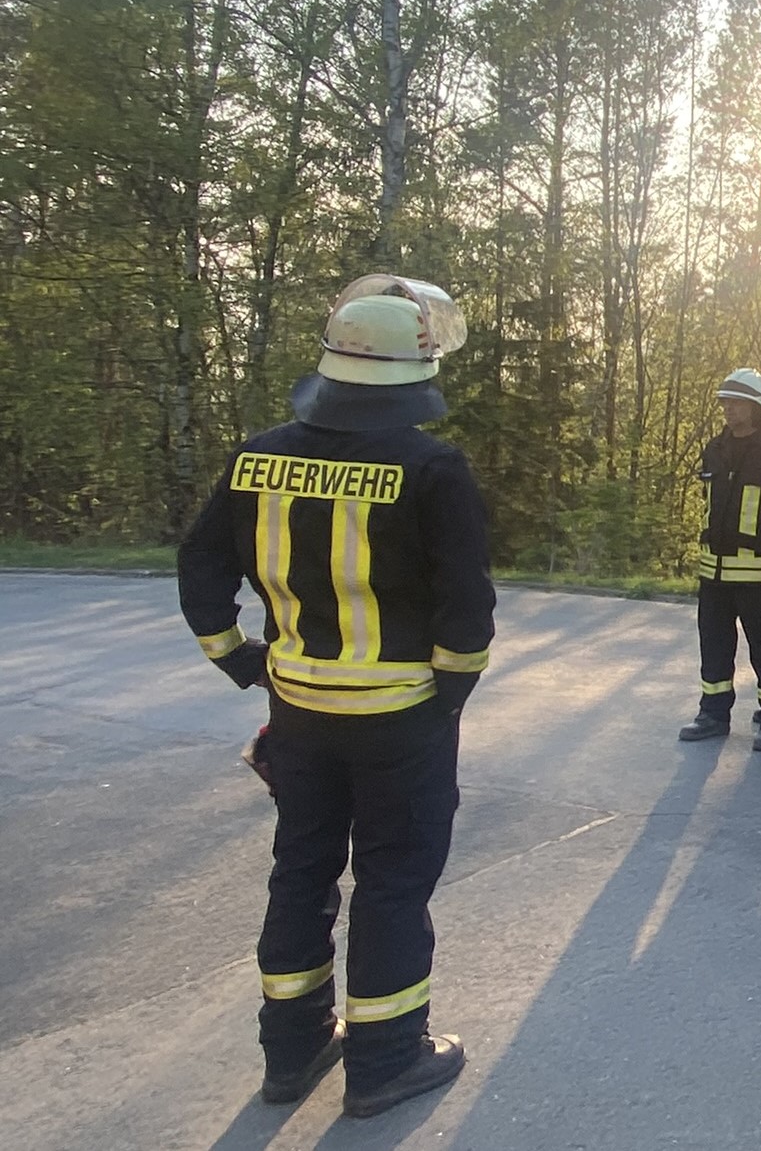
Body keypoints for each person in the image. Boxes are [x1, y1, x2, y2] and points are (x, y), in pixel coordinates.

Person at [177, 275, 496, 1118]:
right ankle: (385, 1059)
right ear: (412, 372)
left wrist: (241, 661)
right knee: (392, 881)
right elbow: (466, 607)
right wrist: (447, 695)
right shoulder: (431, 467)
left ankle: (292, 1050)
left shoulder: (256, 457)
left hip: (299, 713)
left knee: (301, 869)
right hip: (400, 715)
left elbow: (200, 568)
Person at [678, 368, 761, 751]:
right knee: (714, 645)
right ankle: (712, 714)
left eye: (736, 402)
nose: (728, 408)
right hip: (714, 572)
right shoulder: (715, 448)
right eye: (725, 401)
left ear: (758, 406)